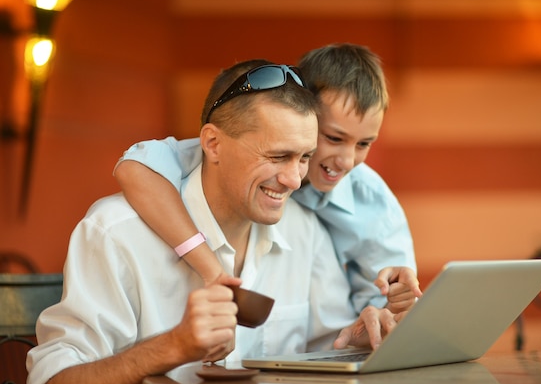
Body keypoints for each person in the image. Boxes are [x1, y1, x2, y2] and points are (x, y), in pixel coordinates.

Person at [26, 60, 400, 384]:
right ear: (212, 144)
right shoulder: (115, 233)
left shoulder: (305, 230)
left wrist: (362, 341)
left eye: (303, 157)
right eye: (276, 156)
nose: (294, 180)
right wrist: (171, 347)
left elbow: (327, 351)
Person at [114, 43, 421, 315]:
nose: (348, 160)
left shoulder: (373, 202)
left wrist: (396, 298)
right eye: (333, 137)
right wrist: (211, 269)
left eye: (364, 144)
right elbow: (134, 167)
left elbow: (386, 305)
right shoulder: (223, 151)